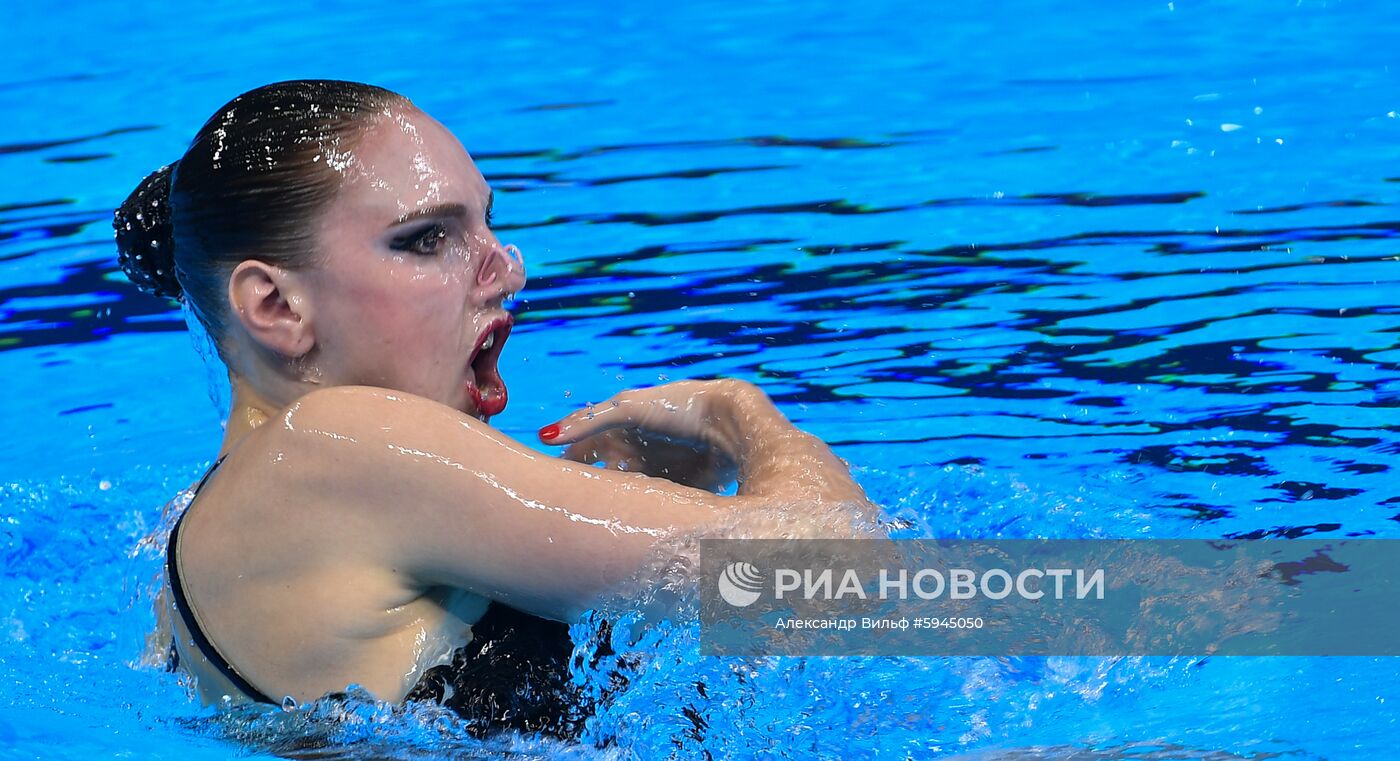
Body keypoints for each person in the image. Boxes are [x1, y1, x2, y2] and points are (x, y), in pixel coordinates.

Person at [116, 80, 875, 740]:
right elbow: (854, 575)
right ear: (276, 305)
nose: (508, 267)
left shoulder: (193, 544)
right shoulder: (340, 441)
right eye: (425, 240)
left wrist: (655, 504)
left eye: (485, 223)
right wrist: (744, 420)